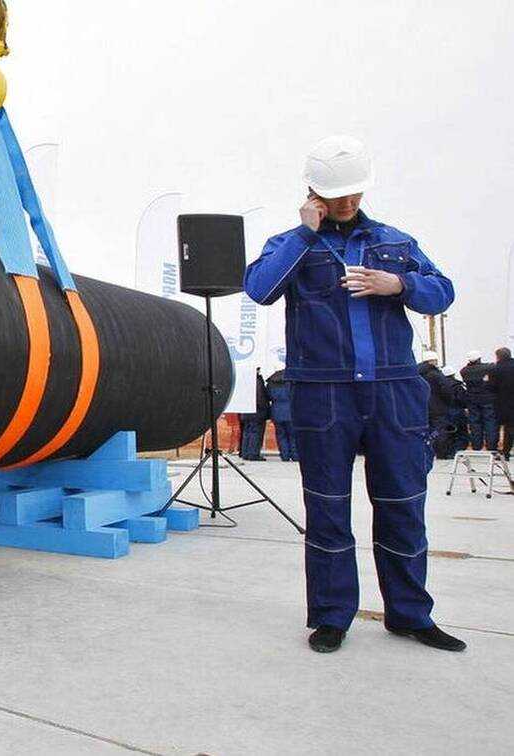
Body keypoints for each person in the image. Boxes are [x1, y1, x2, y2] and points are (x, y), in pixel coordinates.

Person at [244, 135, 465, 654]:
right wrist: (305, 233)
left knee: (402, 505)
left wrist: (399, 285)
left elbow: (443, 291)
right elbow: (260, 288)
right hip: (323, 395)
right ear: (313, 191)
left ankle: (410, 614)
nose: (346, 202)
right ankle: (331, 616)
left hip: (393, 391)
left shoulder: (396, 243)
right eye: (336, 193)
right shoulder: (291, 243)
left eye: (354, 192)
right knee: (327, 508)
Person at [460, 350, 498, 451]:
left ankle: (476, 446)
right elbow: (493, 368)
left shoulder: (464, 371)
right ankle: (491, 447)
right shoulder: (488, 368)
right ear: (479, 358)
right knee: (490, 423)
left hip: (472, 400)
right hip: (487, 399)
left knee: (475, 424)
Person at [265, 366, 298, 461]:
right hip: (290, 412)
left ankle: (285, 455)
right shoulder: (290, 382)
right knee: (293, 435)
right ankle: (295, 455)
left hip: (276, 412)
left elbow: (268, 396)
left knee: (281, 435)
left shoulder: (271, 383)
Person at [487, 347, 514, 459]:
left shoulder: (494, 369)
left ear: (498, 357)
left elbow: (490, 387)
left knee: (505, 428)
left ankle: (504, 452)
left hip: (501, 402)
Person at [239, 368, 270, 460]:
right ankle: (253, 453)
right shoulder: (257, 380)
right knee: (256, 432)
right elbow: (260, 397)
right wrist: (265, 408)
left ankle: (245, 452)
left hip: (245, 410)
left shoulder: (243, 380)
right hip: (256, 411)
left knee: (247, 431)